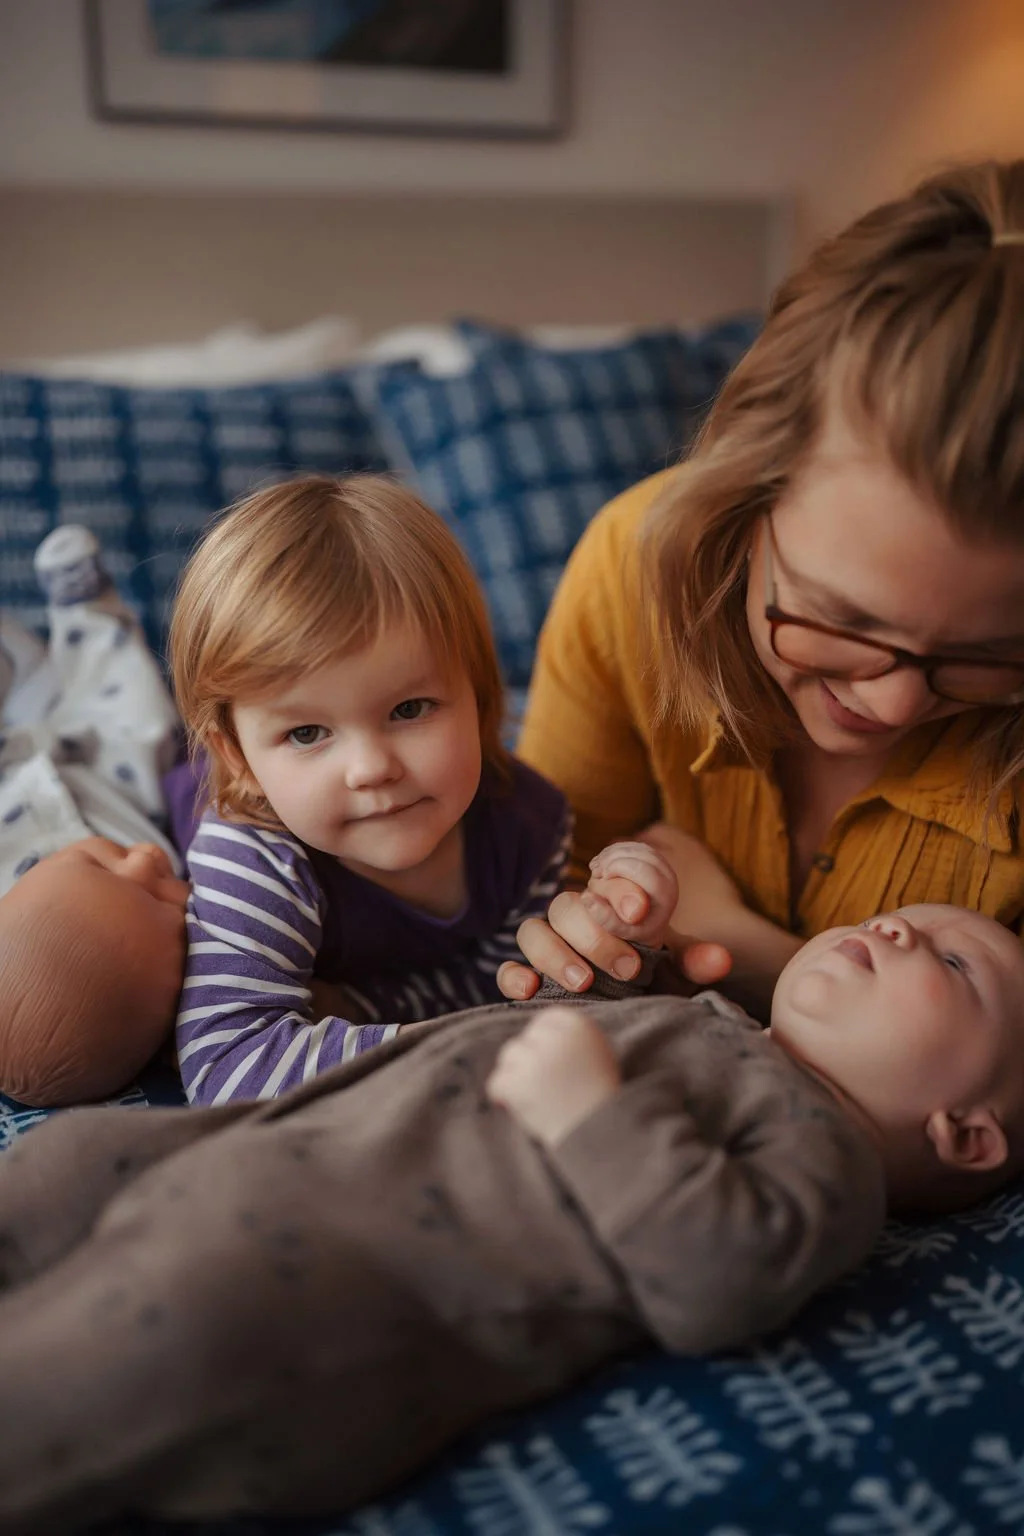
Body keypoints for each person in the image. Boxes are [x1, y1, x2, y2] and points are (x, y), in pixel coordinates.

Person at [2, 843, 1023, 1531]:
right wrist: (616, 920)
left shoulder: (831, 1159)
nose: (893, 928)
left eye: (952, 961)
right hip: (267, 1147)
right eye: (900, 915)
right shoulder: (721, 1025)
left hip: (327, 1283)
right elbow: (579, 1003)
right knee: (64, 1164)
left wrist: (593, 1117)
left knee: (117, 1360)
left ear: (964, 1135)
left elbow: (721, 1275)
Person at [501, 160, 1024, 1022]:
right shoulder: (629, 568)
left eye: (987, 657)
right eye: (842, 618)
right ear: (741, 499)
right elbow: (538, 889)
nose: (893, 703)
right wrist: (580, 934)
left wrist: (744, 950)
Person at [168, 474, 571, 1106]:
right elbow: (227, 1070)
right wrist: (448, 1050)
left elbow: (502, 989)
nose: (370, 768)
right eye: (307, 732)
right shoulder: (254, 857)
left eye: (410, 709)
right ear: (239, 757)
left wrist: (355, 1007)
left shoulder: (530, 822)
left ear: (480, 696)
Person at [0, 524, 180, 895]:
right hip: (114, 798)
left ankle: (38, 688)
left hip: (19, 790)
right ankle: (91, 624)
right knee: (140, 727)